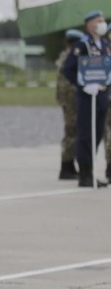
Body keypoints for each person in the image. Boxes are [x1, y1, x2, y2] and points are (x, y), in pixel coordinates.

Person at [62, 10, 110, 187]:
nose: (102, 23)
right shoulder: (82, 45)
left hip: (102, 94)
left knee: (97, 134)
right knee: (85, 135)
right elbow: (68, 69)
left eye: (103, 20)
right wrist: (82, 84)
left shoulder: (104, 44)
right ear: (89, 24)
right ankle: (85, 174)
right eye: (99, 20)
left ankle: (91, 172)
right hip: (87, 96)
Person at [56, 30, 85, 180]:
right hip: (71, 100)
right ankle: (67, 167)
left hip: (67, 100)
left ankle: (68, 165)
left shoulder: (64, 55)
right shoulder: (71, 57)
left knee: (71, 132)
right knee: (72, 132)